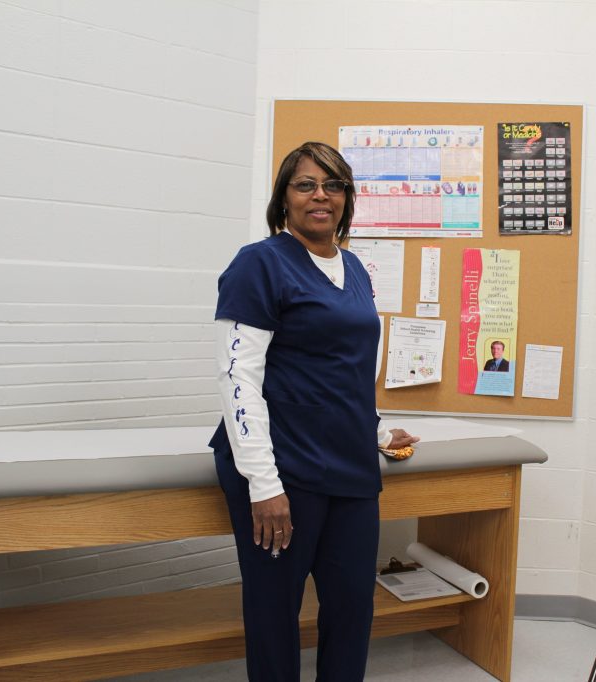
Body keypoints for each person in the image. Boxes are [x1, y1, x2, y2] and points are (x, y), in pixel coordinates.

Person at [209, 141, 419, 681]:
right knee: (275, 613)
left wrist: (371, 430)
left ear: (347, 199)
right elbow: (239, 380)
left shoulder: (354, 267)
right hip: (283, 467)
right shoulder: (259, 264)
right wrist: (263, 484)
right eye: (305, 185)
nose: (320, 196)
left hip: (349, 465)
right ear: (284, 199)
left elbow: (343, 369)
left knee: (353, 607)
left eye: (333, 185)